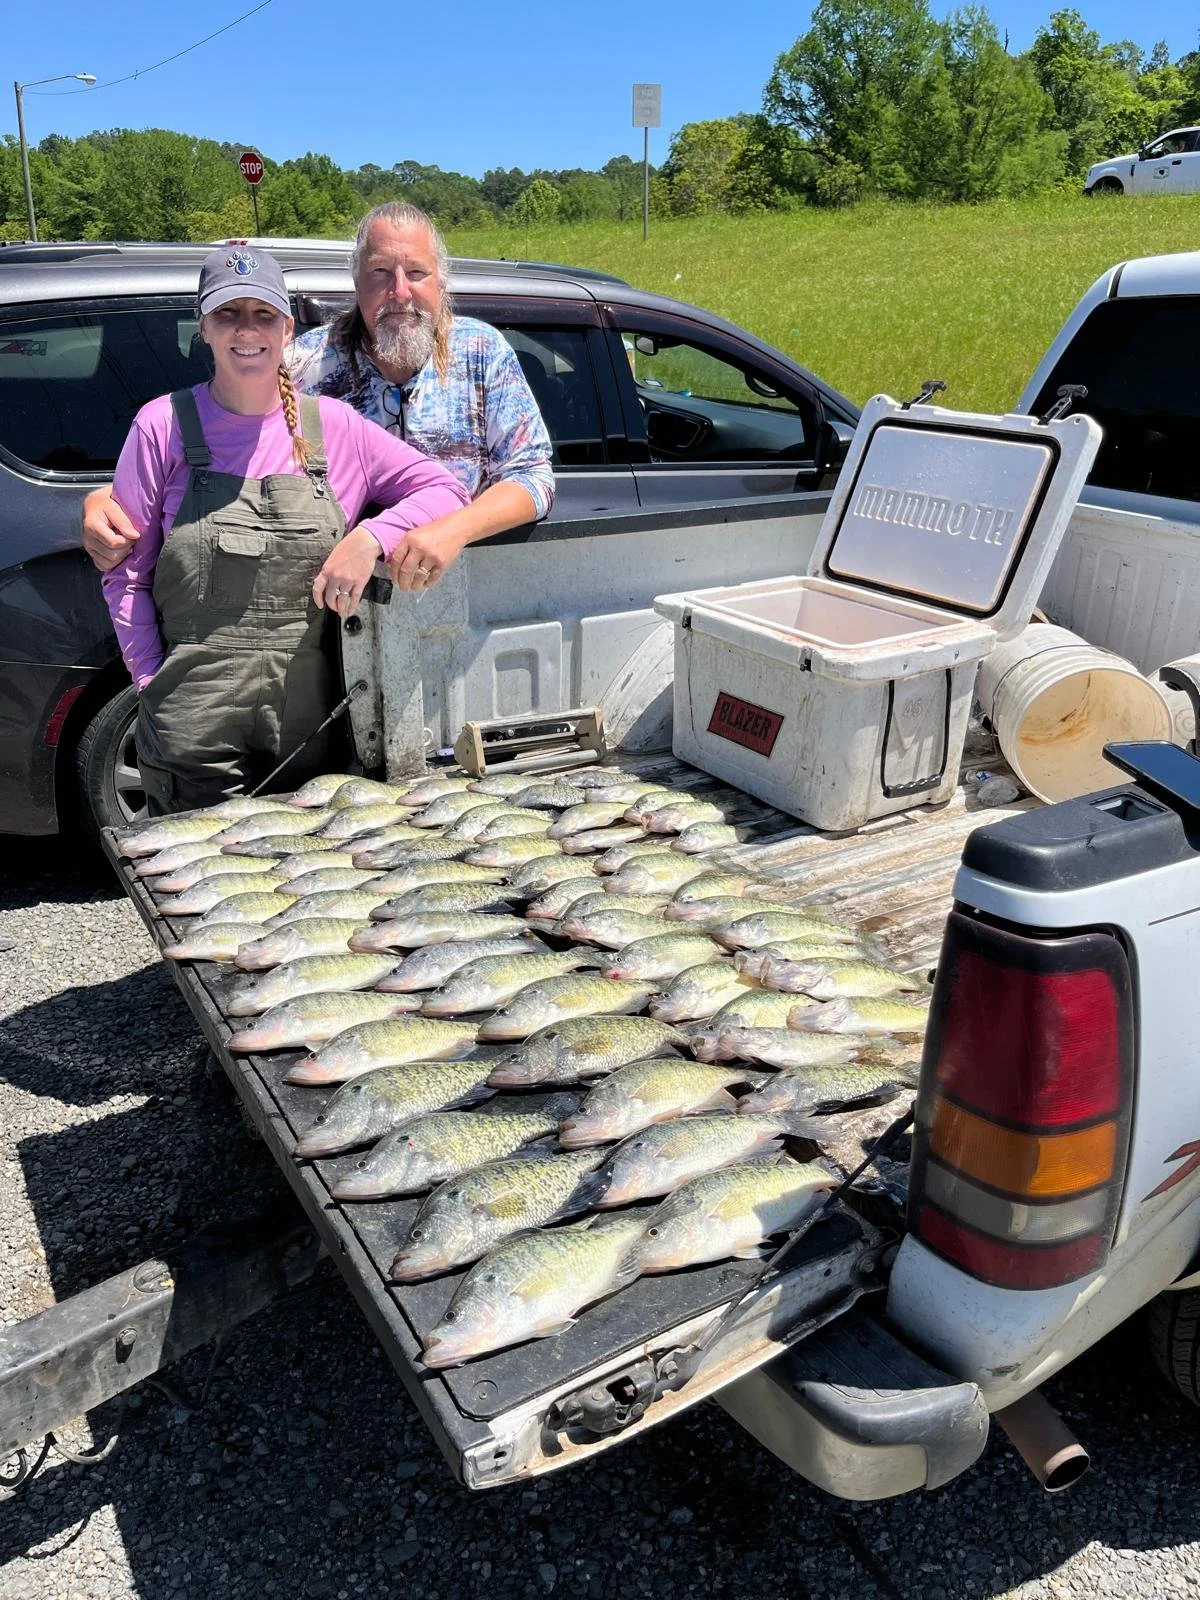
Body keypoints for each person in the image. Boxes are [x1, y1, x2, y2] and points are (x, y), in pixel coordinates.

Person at [102, 245, 469, 815]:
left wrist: (371, 537)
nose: (246, 330)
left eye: (263, 314)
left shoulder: (337, 427)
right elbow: (126, 574)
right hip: (193, 736)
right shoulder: (161, 426)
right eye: (228, 313)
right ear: (203, 327)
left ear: (288, 327)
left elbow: (445, 491)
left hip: (312, 731)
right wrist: (154, 685)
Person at [82, 202, 555, 595]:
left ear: (441, 283)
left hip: (461, 597)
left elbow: (533, 479)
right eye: (380, 273)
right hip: (321, 613)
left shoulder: (482, 353)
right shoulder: (305, 361)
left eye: (416, 272)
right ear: (356, 284)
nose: (400, 292)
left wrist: (453, 528)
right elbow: (219, 437)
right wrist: (105, 497)